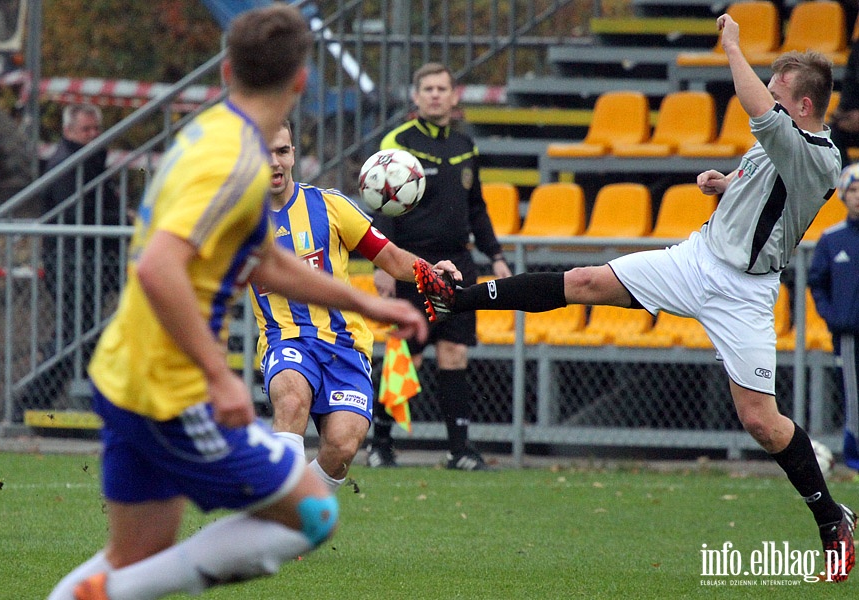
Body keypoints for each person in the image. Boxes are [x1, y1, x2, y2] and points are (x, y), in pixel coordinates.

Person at [414, 15, 858, 581]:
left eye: (776, 93)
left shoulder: (820, 155)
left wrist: (732, 47)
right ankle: (458, 299)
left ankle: (830, 519)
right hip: (697, 259)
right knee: (584, 282)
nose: (766, 98)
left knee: (761, 422)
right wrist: (726, 186)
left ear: (801, 107)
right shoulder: (779, 143)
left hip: (744, 292)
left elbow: (762, 118)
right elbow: (764, 187)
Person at [49, 6, 428, 600]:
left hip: (124, 371)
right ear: (302, 81)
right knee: (313, 515)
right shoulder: (235, 161)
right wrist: (218, 378)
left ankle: (98, 590)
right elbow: (158, 268)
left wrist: (373, 306)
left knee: (132, 555)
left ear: (227, 71)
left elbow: (263, 262)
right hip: (166, 388)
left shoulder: (210, 137)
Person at [251, 122, 458, 493]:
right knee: (292, 398)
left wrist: (432, 273)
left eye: (282, 151)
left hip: (345, 345)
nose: (274, 162)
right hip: (286, 339)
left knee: (343, 445)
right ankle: (279, 517)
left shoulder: (329, 205)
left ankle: (299, 507)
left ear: (294, 154)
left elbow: (392, 258)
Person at [365, 62, 513, 471]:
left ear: (454, 96)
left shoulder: (466, 145)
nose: (434, 94)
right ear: (416, 97)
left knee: (453, 352)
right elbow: (381, 204)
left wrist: (495, 255)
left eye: (441, 88)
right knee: (404, 355)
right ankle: (381, 442)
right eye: (427, 88)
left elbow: (477, 207)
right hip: (409, 261)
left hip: (459, 263)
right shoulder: (398, 141)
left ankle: (459, 450)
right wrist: (383, 262)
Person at [22, 104, 123, 413]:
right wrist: (122, 220)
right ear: (68, 132)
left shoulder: (87, 161)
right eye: (85, 130)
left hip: (90, 260)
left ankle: (81, 393)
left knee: (80, 332)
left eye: (96, 129)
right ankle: (32, 397)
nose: (93, 135)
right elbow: (81, 213)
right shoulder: (69, 165)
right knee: (75, 334)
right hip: (73, 262)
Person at [809, 163, 859, 473]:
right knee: (853, 397)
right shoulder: (832, 239)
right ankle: (855, 459)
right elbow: (818, 283)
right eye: (853, 190)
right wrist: (833, 317)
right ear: (842, 195)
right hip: (849, 335)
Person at [830, 16, 859, 167]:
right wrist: (842, 113)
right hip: (854, 122)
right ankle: (846, 181)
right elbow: (849, 84)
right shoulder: (857, 47)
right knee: (830, 132)